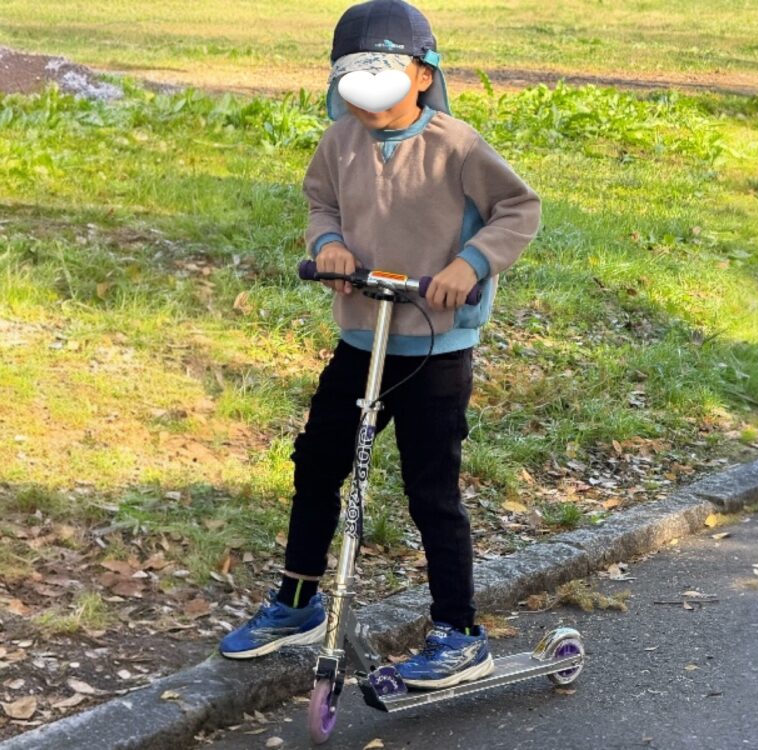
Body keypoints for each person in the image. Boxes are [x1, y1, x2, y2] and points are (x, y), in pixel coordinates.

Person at [220, 0, 541, 690]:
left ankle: (459, 632)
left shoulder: (457, 144)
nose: (365, 94)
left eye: (383, 73)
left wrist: (470, 265)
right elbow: (321, 204)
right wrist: (328, 243)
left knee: (431, 490)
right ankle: (299, 602)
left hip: (434, 345)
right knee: (317, 464)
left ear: (423, 74)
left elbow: (520, 208)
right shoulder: (339, 143)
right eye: (352, 78)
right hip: (362, 336)